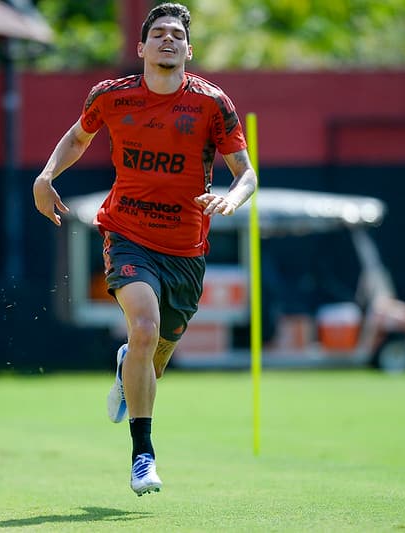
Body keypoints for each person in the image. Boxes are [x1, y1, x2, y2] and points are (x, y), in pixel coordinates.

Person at [33, 2, 256, 496]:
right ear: (141, 47)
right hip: (127, 232)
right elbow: (77, 136)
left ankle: (126, 367)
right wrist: (46, 176)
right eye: (159, 33)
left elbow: (247, 173)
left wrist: (232, 199)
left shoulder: (212, 103)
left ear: (189, 49)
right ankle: (142, 456)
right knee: (145, 327)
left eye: (177, 34)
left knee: (153, 353)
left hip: (187, 248)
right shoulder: (111, 96)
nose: (168, 40)